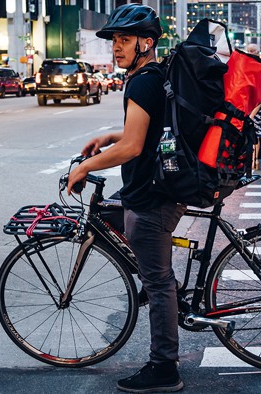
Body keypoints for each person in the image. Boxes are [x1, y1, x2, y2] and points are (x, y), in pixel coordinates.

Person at [65, 4, 186, 392]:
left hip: (153, 195)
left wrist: (85, 167)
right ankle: (160, 294)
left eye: (124, 40)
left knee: (158, 281)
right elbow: (146, 133)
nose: (116, 48)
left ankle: (164, 369)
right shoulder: (154, 74)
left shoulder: (142, 81)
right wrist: (108, 138)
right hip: (157, 186)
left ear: (146, 43)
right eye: (114, 40)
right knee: (128, 233)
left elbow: (134, 147)